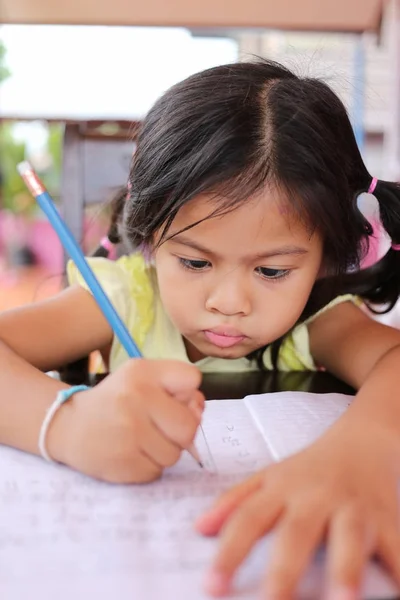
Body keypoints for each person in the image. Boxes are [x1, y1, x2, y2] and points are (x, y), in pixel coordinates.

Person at [1, 58, 400, 598]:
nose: (229, 303)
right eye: (194, 262)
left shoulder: (317, 316)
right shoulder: (128, 297)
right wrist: (67, 425)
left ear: (325, 258)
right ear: (150, 237)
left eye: (272, 271)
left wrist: (363, 451)